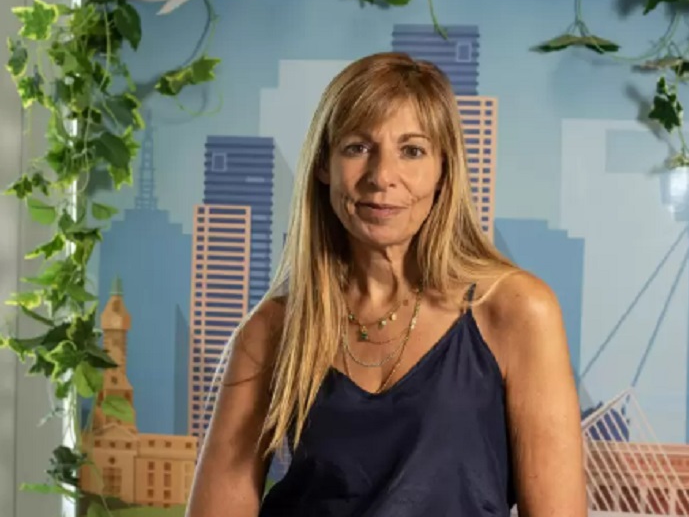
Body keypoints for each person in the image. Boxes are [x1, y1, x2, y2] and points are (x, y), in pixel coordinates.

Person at [185, 52, 586, 517]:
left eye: (412, 151)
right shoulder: (274, 328)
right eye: (357, 148)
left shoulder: (518, 310)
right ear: (323, 165)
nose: (381, 177)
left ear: (444, 169)